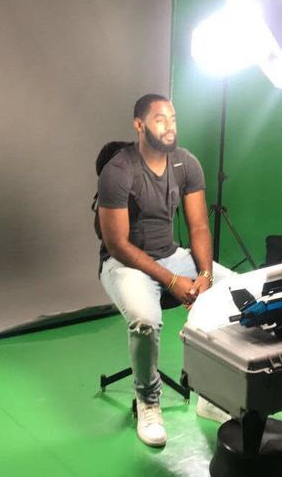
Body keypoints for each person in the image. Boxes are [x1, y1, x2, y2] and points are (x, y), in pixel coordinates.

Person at [97, 93, 233, 447]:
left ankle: (211, 397)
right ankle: (148, 402)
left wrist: (204, 277)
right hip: (125, 263)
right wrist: (172, 281)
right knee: (145, 320)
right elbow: (117, 244)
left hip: (172, 256)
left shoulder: (186, 163)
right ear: (139, 125)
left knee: (235, 293)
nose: (170, 126)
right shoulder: (118, 171)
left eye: (172, 118)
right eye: (160, 119)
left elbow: (199, 226)